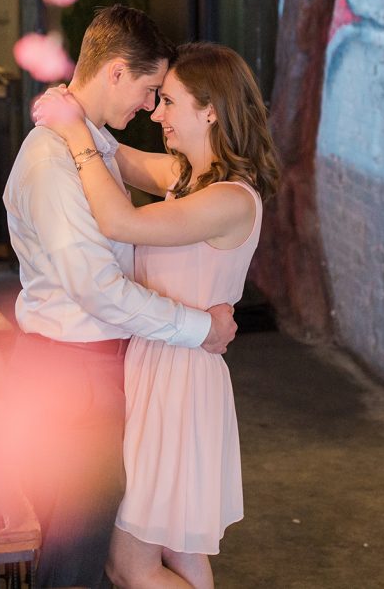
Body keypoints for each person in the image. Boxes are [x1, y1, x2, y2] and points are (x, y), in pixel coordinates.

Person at [3, 6, 237, 589]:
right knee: (77, 560)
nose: (150, 106)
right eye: (149, 89)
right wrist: (198, 327)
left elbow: (161, 179)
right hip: (71, 378)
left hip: (109, 369)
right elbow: (99, 290)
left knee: (110, 552)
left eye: (164, 97)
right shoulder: (54, 161)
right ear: (113, 73)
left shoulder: (94, 148)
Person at [34, 40, 279, 589]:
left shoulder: (230, 199)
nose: (156, 114)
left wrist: (74, 134)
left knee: (128, 564)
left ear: (211, 108)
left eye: (168, 102)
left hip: (178, 383)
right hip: (160, 367)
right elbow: (117, 156)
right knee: (180, 552)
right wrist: (74, 109)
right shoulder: (188, 178)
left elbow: (122, 222)